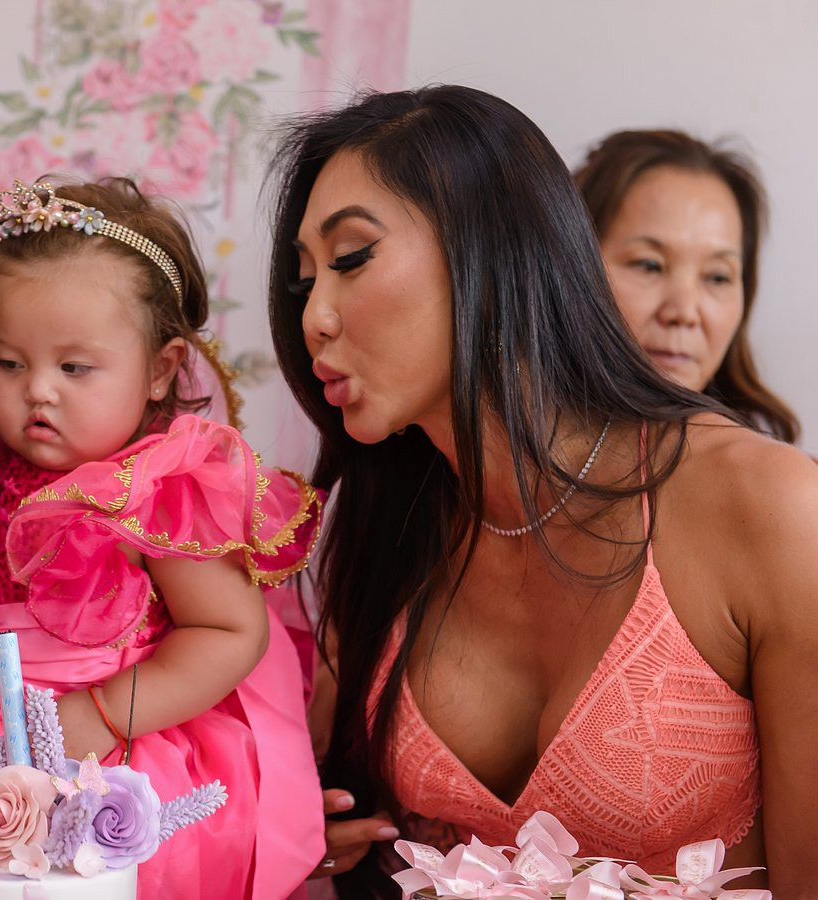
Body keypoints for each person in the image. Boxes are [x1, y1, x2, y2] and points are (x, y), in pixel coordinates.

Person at [266, 87, 818, 895]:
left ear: (491, 248)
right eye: (303, 282)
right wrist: (292, 840)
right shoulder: (388, 524)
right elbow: (332, 820)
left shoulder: (773, 507)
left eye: (351, 259)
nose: (315, 316)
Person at [0, 177, 324, 898]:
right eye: (9, 363)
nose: (39, 390)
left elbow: (230, 631)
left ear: (160, 371)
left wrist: (105, 713)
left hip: (116, 754)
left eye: (74, 368)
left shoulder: (154, 491)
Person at [575, 128, 800, 443]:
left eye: (717, 277)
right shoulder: (506, 457)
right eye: (649, 265)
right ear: (571, 267)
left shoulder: (784, 472)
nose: (684, 313)